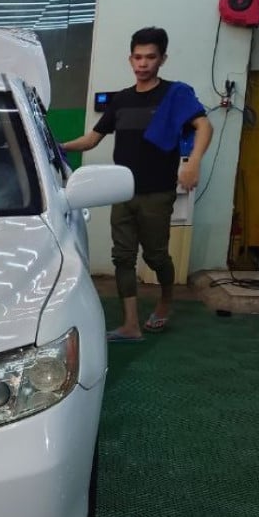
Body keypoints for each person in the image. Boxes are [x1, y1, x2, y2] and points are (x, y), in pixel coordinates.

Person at [60, 27, 212, 341]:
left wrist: (193, 162)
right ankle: (130, 324)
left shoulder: (175, 95)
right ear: (130, 59)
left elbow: (204, 126)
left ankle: (166, 300)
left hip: (157, 193)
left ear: (162, 59)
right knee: (123, 257)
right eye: (138, 57)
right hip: (122, 191)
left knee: (156, 256)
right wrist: (56, 147)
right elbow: (91, 140)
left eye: (150, 57)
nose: (143, 63)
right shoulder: (121, 100)